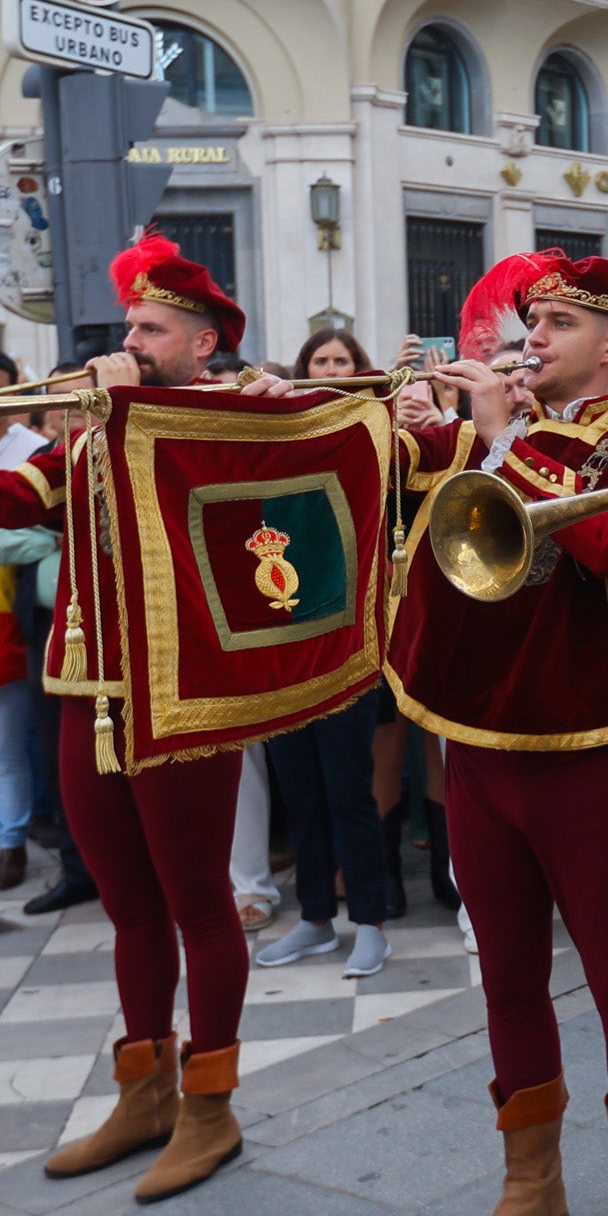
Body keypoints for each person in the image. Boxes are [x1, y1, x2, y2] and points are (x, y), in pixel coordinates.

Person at [390, 249, 608, 1216]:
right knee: (507, 978)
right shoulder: (488, 433)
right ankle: (531, 1187)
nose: (533, 339)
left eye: (557, 323)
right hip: (476, 745)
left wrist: (505, 441)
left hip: (582, 752)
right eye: (530, 322)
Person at [0, 237, 277, 1199]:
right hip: (87, 689)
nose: (130, 341)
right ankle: (143, 1090)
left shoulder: (224, 418)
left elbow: (190, 492)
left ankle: (211, 1103)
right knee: (128, 905)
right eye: (128, 327)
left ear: (201, 345)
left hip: (184, 692)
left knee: (199, 901)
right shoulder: (92, 429)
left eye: (150, 329)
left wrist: (110, 411)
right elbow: (13, 499)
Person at [259, 330, 404, 981]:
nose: (331, 371)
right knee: (299, 791)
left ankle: (369, 922)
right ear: (301, 368)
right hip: (282, 644)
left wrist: (379, 382)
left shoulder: (361, 433)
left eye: (342, 361)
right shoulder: (275, 439)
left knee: (350, 790)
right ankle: (315, 918)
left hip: (348, 643)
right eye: (320, 361)